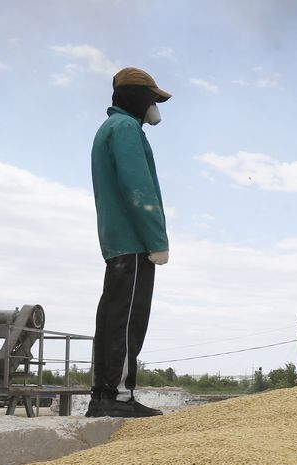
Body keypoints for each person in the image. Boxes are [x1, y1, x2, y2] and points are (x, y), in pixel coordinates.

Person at [86, 67, 172, 418]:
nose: (155, 104)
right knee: (127, 319)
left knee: (112, 316)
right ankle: (118, 397)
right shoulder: (125, 129)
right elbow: (138, 189)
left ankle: (103, 394)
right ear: (137, 96)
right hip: (133, 241)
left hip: (116, 240)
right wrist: (157, 239)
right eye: (152, 97)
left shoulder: (109, 128)